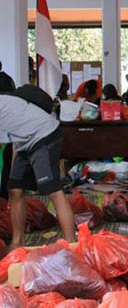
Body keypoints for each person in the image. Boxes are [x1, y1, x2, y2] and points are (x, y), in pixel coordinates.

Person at [0, 94, 75, 248]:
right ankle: (17, 243)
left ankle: (72, 245)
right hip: (24, 142)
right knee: (15, 189)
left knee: (53, 191)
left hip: (43, 135)